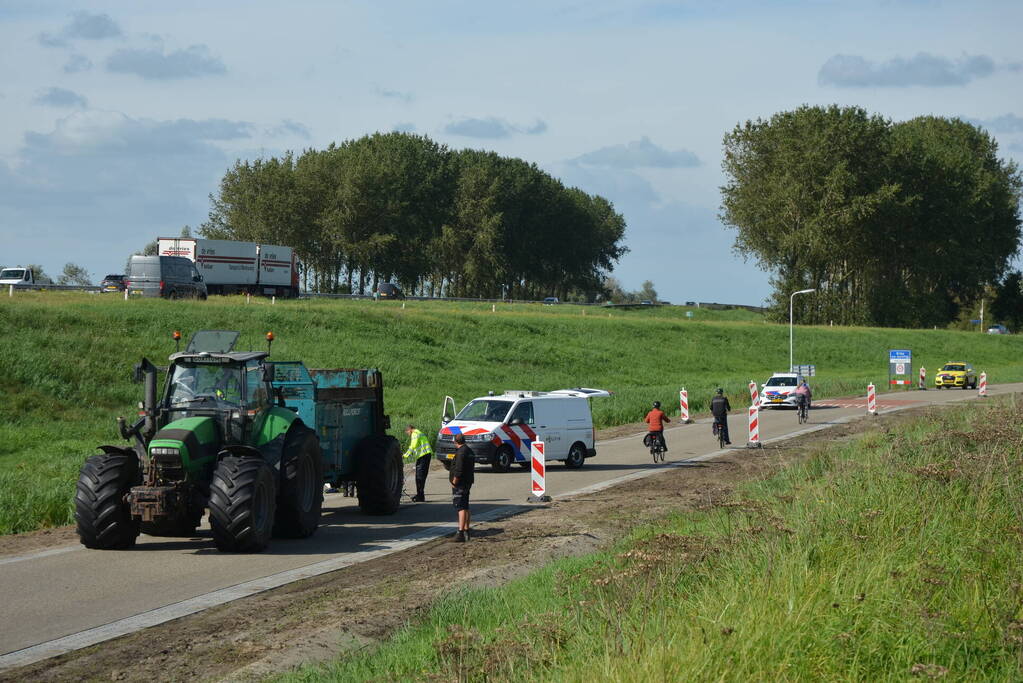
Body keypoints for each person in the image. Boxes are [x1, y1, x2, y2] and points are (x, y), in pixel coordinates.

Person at [449, 434, 475, 542]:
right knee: (466, 506)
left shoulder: (460, 453)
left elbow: (458, 469)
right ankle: (466, 530)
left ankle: (460, 533)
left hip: (460, 484)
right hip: (467, 482)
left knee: (460, 507)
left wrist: (454, 482)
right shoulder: (469, 451)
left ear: (455, 442)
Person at [403, 424, 434, 502]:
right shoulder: (419, 432)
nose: (408, 434)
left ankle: (420, 496)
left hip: (423, 456)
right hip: (425, 456)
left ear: (409, 430)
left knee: (419, 477)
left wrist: (405, 456)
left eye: (407, 433)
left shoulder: (415, 434)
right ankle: (420, 495)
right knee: (421, 476)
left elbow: (413, 445)